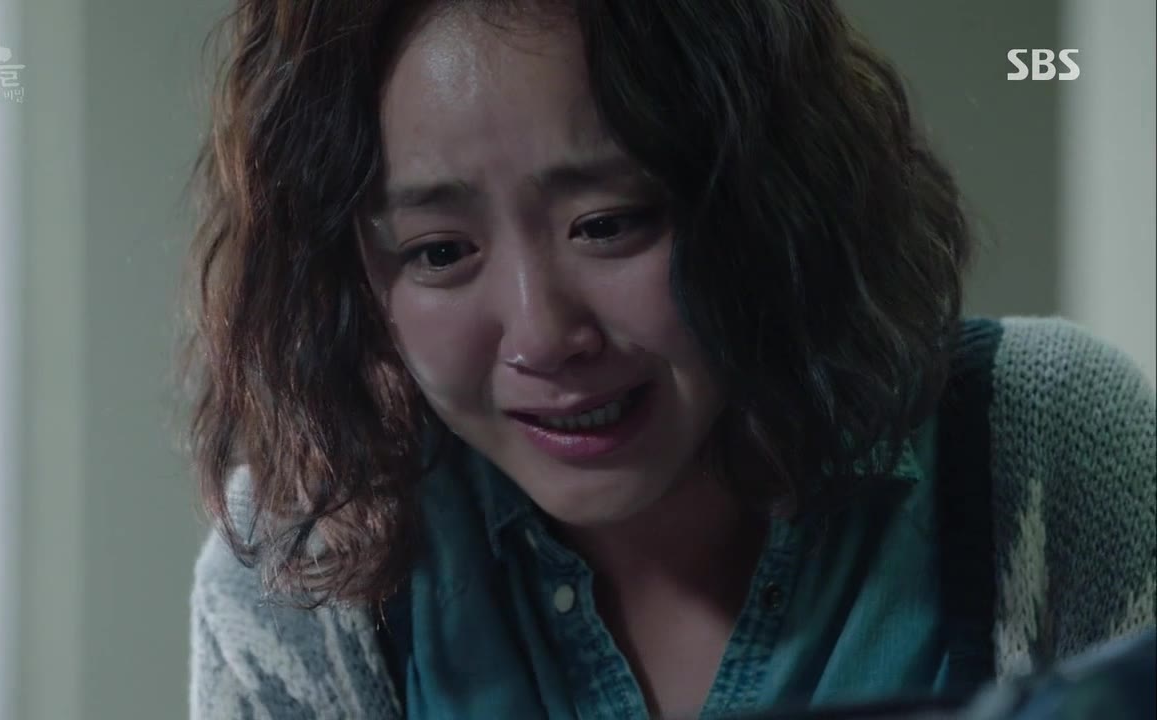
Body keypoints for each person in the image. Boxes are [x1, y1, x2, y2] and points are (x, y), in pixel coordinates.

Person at [182, 1, 1156, 718]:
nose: (542, 335)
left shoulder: (1038, 444)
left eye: (608, 223)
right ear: (353, 277)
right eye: (438, 252)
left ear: (770, 200)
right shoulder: (305, 557)